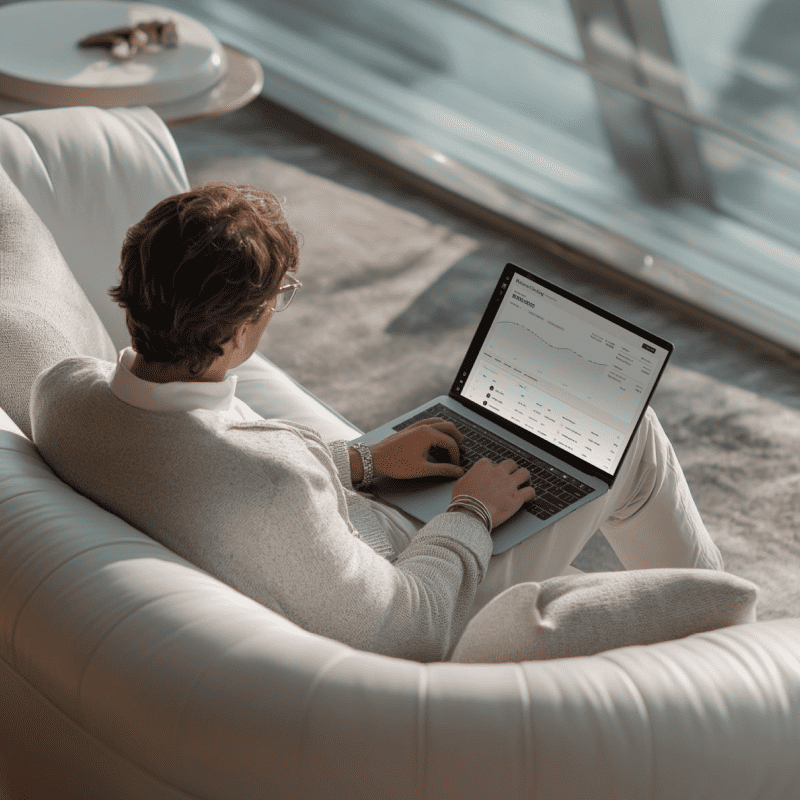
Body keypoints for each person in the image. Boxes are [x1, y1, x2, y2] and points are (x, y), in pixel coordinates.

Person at [30, 183, 724, 663]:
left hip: (332, 533)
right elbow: (410, 629)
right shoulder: (271, 487)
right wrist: (472, 512)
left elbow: (206, 470)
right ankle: (728, 628)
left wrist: (362, 463)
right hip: (420, 573)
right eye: (279, 300)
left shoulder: (62, 397)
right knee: (630, 436)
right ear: (240, 332)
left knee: (532, 435)